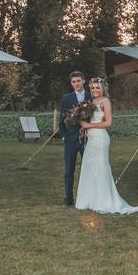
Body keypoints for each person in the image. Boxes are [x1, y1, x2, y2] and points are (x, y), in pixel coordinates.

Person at [74, 78, 138, 214]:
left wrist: (89, 125)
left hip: (100, 138)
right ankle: (91, 200)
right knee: (90, 166)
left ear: (103, 88)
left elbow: (108, 123)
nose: (95, 90)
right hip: (91, 138)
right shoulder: (91, 102)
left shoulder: (106, 102)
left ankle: (103, 201)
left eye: (97, 88)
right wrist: (82, 125)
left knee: (100, 166)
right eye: (93, 88)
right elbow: (87, 119)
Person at [58, 71, 88, 206]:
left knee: (89, 168)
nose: (76, 83)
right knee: (69, 170)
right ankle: (68, 199)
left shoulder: (91, 96)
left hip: (87, 138)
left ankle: (88, 198)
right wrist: (64, 136)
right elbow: (62, 119)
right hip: (71, 139)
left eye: (78, 80)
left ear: (83, 81)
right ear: (71, 84)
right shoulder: (67, 98)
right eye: (73, 81)